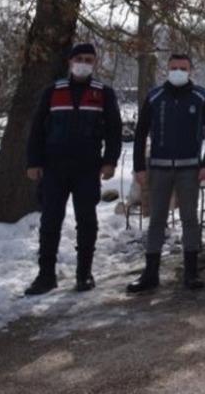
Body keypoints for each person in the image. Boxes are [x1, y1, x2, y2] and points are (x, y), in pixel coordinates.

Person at [24, 42, 122, 296]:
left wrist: (110, 161)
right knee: (50, 221)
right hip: (54, 167)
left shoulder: (103, 93)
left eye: (89, 60)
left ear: (95, 63)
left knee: (86, 221)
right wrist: (33, 162)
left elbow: (114, 130)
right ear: (70, 62)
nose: (83, 64)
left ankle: (84, 274)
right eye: (79, 59)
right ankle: (46, 276)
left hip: (87, 168)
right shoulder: (53, 91)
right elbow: (37, 129)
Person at [127, 53, 205, 293]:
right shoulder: (154, 96)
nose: (178, 71)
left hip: (190, 168)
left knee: (189, 218)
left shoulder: (201, 96)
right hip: (159, 168)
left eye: (183, 68)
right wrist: (139, 166)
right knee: (157, 219)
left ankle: (191, 272)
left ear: (191, 71)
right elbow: (140, 133)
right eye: (174, 67)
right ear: (166, 70)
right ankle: (150, 273)